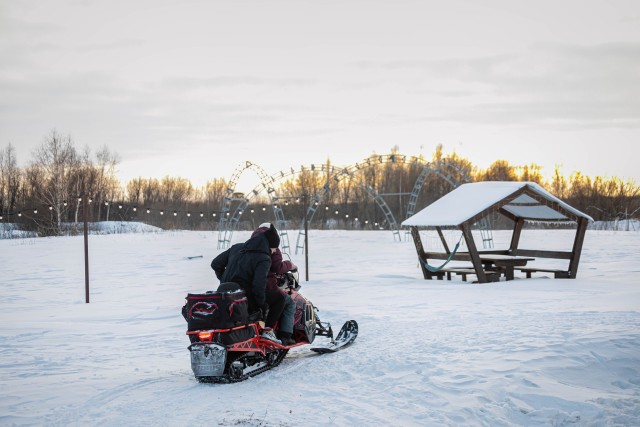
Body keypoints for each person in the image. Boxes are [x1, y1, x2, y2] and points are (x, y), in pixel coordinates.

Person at [210, 223, 286, 343]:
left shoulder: (237, 248)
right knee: (280, 299)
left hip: (226, 294)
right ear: (269, 245)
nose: (275, 251)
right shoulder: (263, 257)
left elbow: (215, 263)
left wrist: (224, 280)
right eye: (274, 248)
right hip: (245, 296)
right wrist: (262, 305)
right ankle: (268, 331)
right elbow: (258, 286)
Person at [252, 225, 297, 346]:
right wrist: (290, 265)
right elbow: (277, 267)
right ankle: (285, 335)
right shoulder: (271, 246)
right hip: (264, 287)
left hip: (245, 287)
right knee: (288, 302)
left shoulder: (250, 244)